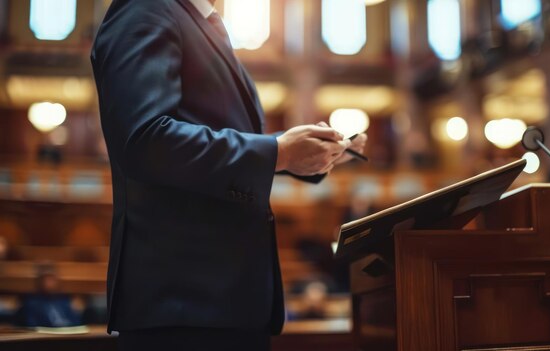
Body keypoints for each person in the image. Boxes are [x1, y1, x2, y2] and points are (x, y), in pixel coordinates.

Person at [90, 0, 367, 350]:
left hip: (227, 302)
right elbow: (145, 140)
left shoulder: (203, 23)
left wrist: (308, 156)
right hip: (183, 304)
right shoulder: (146, 7)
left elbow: (215, 156)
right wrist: (278, 152)